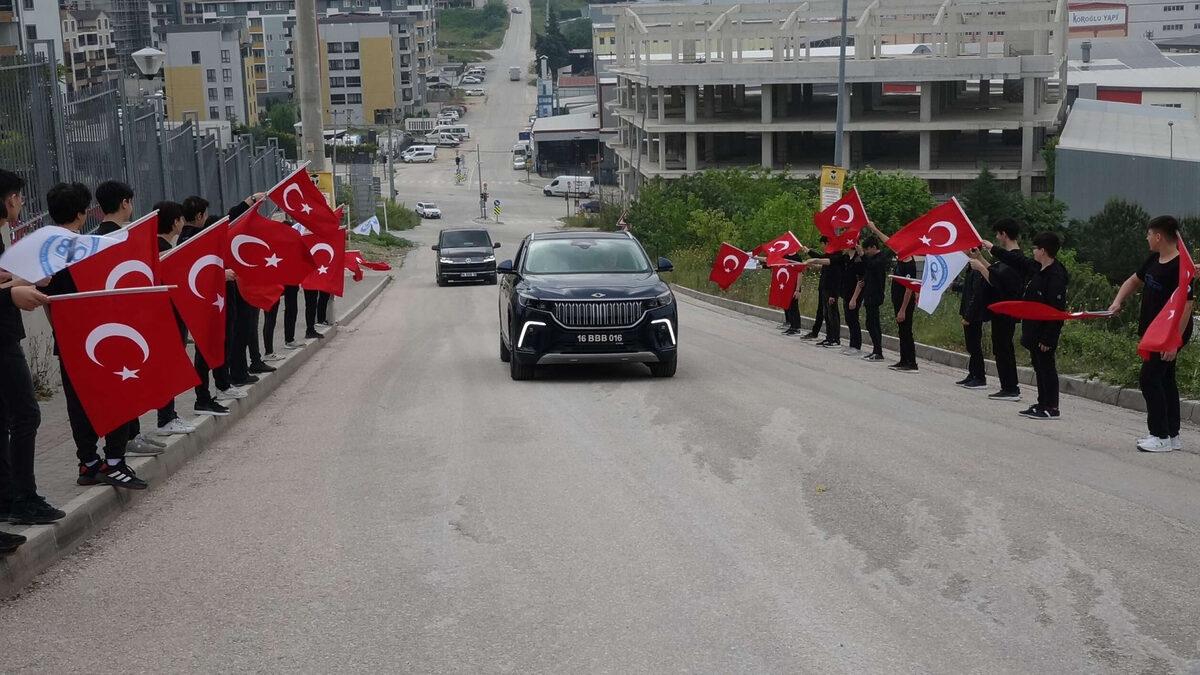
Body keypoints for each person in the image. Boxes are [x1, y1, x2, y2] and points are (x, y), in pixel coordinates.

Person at [42, 183, 148, 489]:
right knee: (118, 394)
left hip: (67, 336)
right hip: (102, 335)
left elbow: (48, 300)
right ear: (81, 213)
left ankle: (87, 463)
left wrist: (59, 331)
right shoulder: (88, 248)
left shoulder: (47, 251)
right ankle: (114, 461)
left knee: (78, 403)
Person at [0, 169, 63, 535]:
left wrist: (19, 281)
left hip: (5, 338)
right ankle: (24, 498)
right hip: (2, 343)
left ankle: (9, 496)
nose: (21, 203)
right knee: (26, 416)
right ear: (10, 199)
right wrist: (16, 289)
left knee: (7, 419)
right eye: (20, 197)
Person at [93, 180, 169, 456]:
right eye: (130, 202)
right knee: (125, 383)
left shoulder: (96, 240)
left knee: (128, 382)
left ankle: (133, 433)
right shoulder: (121, 240)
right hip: (124, 322)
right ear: (125, 202)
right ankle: (126, 439)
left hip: (112, 324)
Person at [1108, 215, 1195, 452]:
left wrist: (1173, 343)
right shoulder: (1154, 259)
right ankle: (1172, 435)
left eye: (1148, 234)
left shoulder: (1181, 267)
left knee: (1149, 378)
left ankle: (1160, 435)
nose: (1147, 238)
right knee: (1166, 380)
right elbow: (1133, 281)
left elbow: (1187, 306)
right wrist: (1117, 302)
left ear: (1158, 236)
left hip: (1170, 333)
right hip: (1152, 331)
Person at [988, 232, 1068, 420]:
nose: (1032, 251)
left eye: (1035, 248)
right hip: (1033, 330)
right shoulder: (1036, 269)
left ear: (1043, 250)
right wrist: (992, 248)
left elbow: (1057, 311)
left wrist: (1049, 337)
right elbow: (1017, 261)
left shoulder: (1056, 276)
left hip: (1045, 332)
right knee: (1038, 366)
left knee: (1047, 368)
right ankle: (1042, 402)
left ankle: (1052, 406)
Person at [152, 201, 206, 431]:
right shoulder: (161, 249)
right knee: (168, 367)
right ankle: (166, 417)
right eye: (180, 219)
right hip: (167, 316)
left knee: (169, 366)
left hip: (168, 316)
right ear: (175, 222)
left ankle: (168, 414)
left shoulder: (159, 246)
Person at [967, 218, 1025, 401]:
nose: (997, 238)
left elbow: (999, 282)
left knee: (1004, 348)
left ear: (1004, 234)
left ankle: (1010, 387)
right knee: (999, 347)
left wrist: (979, 268)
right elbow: (995, 271)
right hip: (999, 309)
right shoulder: (1007, 258)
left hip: (1007, 309)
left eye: (998, 234)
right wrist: (980, 259)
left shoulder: (1015, 258)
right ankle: (1006, 386)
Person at [863, 220, 918, 371]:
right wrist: (875, 229)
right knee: (902, 331)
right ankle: (903, 360)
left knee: (907, 331)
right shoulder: (901, 259)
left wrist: (903, 309)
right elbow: (888, 241)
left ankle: (911, 362)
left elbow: (909, 289)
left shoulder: (909, 264)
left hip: (905, 303)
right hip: (897, 300)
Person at [957, 251, 990, 389]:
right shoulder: (971, 268)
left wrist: (968, 316)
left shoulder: (978, 270)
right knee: (970, 345)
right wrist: (954, 286)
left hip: (974, 315)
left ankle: (980, 377)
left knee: (974, 346)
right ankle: (972, 373)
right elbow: (968, 288)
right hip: (968, 311)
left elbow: (977, 294)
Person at [859, 237, 889, 361]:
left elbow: (872, 266)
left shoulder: (881, 258)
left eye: (867, 249)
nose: (866, 252)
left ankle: (878, 351)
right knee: (870, 323)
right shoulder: (871, 259)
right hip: (869, 293)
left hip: (875, 294)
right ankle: (875, 350)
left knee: (873, 323)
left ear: (873, 247)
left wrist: (862, 256)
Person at [838, 247, 865, 356]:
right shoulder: (847, 259)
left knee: (853, 319)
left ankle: (856, 345)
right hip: (846, 293)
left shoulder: (857, 261)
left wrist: (854, 298)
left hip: (854, 294)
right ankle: (851, 344)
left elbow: (860, 281)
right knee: (849, 319)